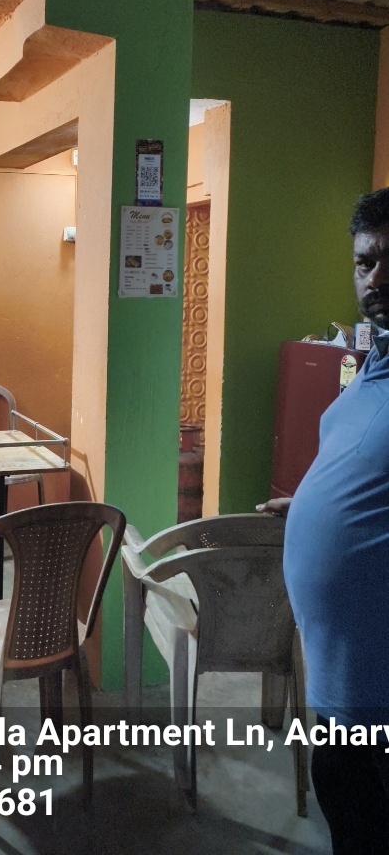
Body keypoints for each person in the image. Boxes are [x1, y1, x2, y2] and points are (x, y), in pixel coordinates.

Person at [257, 187, 389, 853]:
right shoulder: (373, 366)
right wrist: (312, 508)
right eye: (366, 262)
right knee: (348, 815)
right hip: (343, 687)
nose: (378, 278)